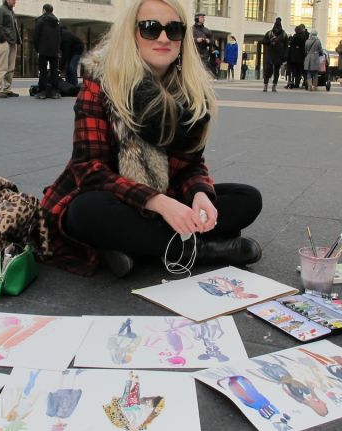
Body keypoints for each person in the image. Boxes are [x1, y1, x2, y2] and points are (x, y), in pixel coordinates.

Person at [39, 0, 262, 277]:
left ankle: (137, 247)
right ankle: (203, 250)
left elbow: (192, 163)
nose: (164, 38)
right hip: (112, 197)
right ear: (132, 34)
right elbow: (89, 170)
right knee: (85, 212)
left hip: (163, 197)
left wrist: (199, 193)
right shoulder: (102, 83)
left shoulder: (192, 94)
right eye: (150, 28)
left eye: (174, 30)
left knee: (247, 198)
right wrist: (160, 202)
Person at [0, 0, 22, 98]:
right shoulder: (0, 9)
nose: (15, 2)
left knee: (10, 67)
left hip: (12, 42)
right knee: (1, 66)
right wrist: (5, 38)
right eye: (13, 0)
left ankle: (7, 89)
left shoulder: (10, 11)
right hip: (3, 41)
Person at [34, 3, 61, 99]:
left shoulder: (40, 21)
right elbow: (59, 37)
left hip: (43, 50)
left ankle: (42, 92)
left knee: (43, 71)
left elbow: (36, 36)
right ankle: (55, 92)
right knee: (54, 71)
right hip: (54, 50)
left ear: (44, 10)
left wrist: (37, 48)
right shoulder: (57, 22)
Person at [261, 17, 288, 92]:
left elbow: (286, 46)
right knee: (268, 69)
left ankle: (274, 85)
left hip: (279, 54)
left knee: (276, 70)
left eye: (278, 26)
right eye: (276, 26)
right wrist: (270, 41)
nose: (277, 28)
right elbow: (263, 41)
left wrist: (285, 56)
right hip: (270, 53)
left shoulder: (284, 34)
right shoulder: (269, 33)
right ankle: (265, 84)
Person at [287, 24, 308, 89]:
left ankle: (296, 83)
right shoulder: (304, 36)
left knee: (296, 71)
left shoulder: (295, 36)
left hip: (295, 57)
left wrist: (290, 38)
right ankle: (305, 82)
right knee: (302, 70)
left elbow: (291, 43)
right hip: (302, 56)